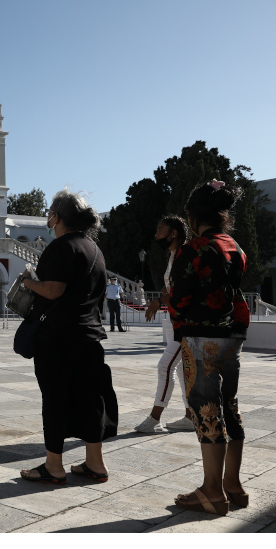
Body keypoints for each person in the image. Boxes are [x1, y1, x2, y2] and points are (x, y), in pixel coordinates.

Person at [19, 189, 118, 485]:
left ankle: (54, 466)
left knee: (56, 398)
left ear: (58, 216)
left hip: (59, 338)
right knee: (91, 399)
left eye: (50, 210)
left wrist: (27, 282)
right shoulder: (94, 250)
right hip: (90, 336)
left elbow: (53, 290)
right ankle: (95, 463)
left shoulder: (61, 247)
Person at [170, 180, 250, 516]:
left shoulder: (196, 248)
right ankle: (233, 484)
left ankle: (212, 492)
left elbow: (180, 298)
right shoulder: (233, 245)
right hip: (231, 333)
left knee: (206, 410)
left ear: (192, 214)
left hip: (203, 336)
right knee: (229, 404)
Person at [136, 216, 193, 433]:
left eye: (161, 230)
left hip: (183, 323)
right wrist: (164, 294)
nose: (156, 233)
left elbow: (185, 292)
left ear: (174, 233)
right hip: (172, 319)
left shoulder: (184, 255)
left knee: (165, 366)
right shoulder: (173, 256)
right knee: (179, 370)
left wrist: (159, 300)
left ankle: (154, 418)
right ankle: (189, 416)